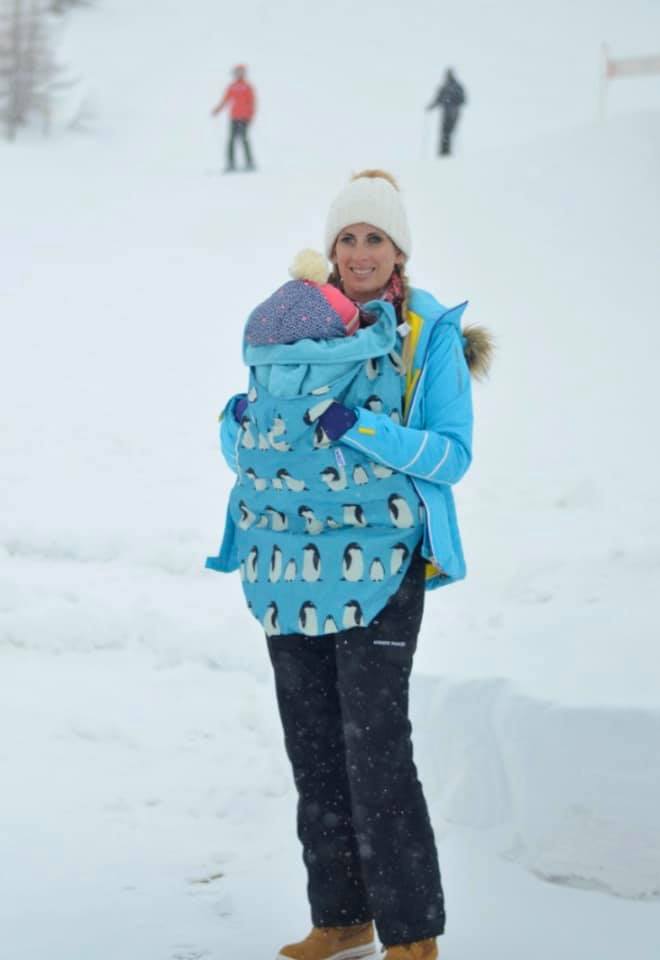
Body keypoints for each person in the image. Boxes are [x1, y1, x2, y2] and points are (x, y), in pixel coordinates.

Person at [207, 170, 492, 960]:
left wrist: (359, 428)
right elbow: (258, 451)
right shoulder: (297, 324)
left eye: (375, 238)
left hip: (383, 566)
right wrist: (236, 426)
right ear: (328, 249)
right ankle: (340, 916)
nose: (360, 253)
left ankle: (411, 931)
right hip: (289, 562)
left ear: (398, 250)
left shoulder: (426, 333)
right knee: (313, 746)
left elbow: (450, 455)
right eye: (347, 238)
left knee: (376, 747)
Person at [211, 64, 256, 172]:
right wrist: (217, 110)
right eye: (237, 72)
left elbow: (252, 102)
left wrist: (251, 115)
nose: (238, 74)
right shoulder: (232, 86)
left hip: (244, 117)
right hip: (234, 117)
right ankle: (231, 163)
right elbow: (225, 100)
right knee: (231, 140)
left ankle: (249, 163)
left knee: (244, 139)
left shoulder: (247, 86)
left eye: (241, 72)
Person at [426, 68, 467, 157]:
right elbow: (438, 99)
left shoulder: (454, 87)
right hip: (448, 113)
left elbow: (463, 100)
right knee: (445, 132)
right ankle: (444, 152)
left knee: (447, 132)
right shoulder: (448, 87)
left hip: (452, 112)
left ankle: (445, 151)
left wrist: (453, 102)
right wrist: (431, 107)